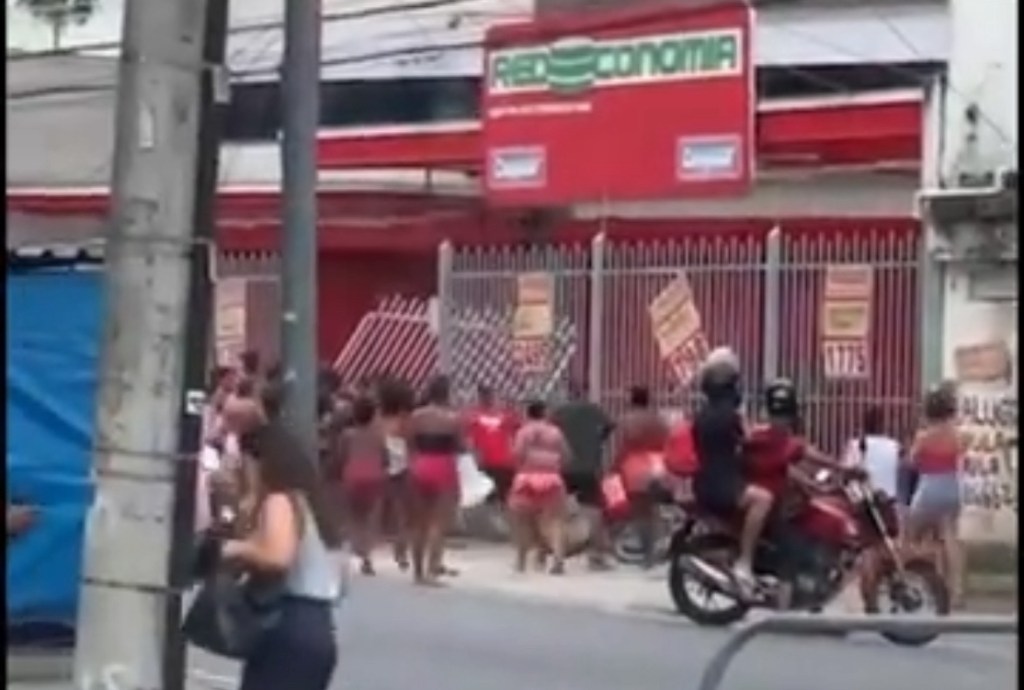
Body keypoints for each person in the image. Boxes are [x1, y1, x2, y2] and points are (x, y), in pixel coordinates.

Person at [220, 422, 343, 690]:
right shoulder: (307, 503)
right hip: (316, 626)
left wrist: (236, 549)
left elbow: (277, 556)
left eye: (241, 462)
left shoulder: (279, 500)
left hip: (290, 623)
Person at [691, 347, 772, 594]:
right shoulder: (729, 416)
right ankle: (745, 562)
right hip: (721, 483)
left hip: (710, 479)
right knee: (764, 499)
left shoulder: (704, 415)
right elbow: (747, 440)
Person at [905, 384, 965, 608]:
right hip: (952, 488)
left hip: (928, 488)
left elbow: (912, 462)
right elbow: (960, 454)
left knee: (912, 536)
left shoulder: (923, 436)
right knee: (950, 538)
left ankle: (918, 581)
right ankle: (956, 591)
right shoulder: (956, 435)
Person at [551, 382, 616, 570]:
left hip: (564, 467)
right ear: (585, 392)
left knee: (558, 514)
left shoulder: (559, 413)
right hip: (588, 467)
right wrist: (598, 441)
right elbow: (611, 425)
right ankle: (596, 557)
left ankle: (558, 559)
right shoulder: (593, 410)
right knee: (594, 511)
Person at [406, 375, 463, 586]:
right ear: (446, 393)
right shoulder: (452, 419)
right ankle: (432, 571)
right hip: (443, 466)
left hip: (420, 464)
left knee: (418, 523)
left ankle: (417, 572)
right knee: (438, 524)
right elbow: (460, 445)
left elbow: (409, 443)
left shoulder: (416, 416)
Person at [508, 400, 571, 574]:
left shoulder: (523, 432)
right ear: (545, 413)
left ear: (528, 414)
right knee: (555, 522)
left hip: (526, 478)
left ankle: (521, 561)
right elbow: (567, 456)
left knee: (522, 522)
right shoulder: (555, 432)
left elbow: (517, 454)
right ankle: (558, 560)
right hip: (551, 478)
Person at [612, 385, 670, 569]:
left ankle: (648, 553)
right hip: (658, 463)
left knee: (640, 512)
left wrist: (613, 466)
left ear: (631, 400)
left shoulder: (627, 420)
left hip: (636, 465)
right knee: (654, 509)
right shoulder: (659, 420)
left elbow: (622, 446)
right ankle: (657, 548)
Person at [336, 396, 387, 575]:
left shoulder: (347, 435)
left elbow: (341, 457)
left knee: (353, 516)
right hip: (374, 475)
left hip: (353, 474)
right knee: (370, 518)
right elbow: (385, 458)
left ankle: (354, 547)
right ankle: (367, 556)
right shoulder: (378, 436)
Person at [377, 377, 416, 570]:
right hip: (402, 467)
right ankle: (400, 552)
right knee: (403, 512)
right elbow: (411, 443)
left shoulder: (378, 419)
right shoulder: (404, 420)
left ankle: (372, 545)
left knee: (383, 509)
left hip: (382, 466)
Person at [465, 384, 519, 504]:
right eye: (484, 395)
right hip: (485, 463)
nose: (487, 398)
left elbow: (517, 431)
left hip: (504, 462)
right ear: (479, 397)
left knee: (504, 497)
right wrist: (474, 459)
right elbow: (469, 440)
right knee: (488, 499)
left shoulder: (506, 414)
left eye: (489, 394)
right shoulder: (472, 415)